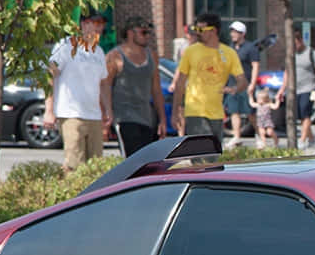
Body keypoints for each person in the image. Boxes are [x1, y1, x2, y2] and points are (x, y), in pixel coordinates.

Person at [45, 12, 109, 171]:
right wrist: (49, 110)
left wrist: (106, 111)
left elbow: (101, 85)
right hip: (71, 114)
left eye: (102, 24)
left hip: (94, 115)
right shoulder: (67, 45)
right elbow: (49, 75)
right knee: (74, 165)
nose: (99, 28)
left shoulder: (99, 51)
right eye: (96, 23)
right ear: (84, 24)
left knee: (96, 168)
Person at [171, 13, 246, 143]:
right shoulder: (190, 51)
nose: (197, 33)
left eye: (201, 30)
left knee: (214, 157)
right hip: (195, 111)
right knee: (202, 154)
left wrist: (234, 88)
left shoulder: (229, 53)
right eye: (196, 30)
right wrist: (175, 112)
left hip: (217, 113)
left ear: (213, 30)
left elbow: (243, 81)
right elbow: (180, 83)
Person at [101, 16, 165, 157]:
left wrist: (162, 120)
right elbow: (105, 86)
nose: (148, 36)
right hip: (124, 118)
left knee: (149, 162)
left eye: (149, 33)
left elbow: (156, 89)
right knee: (132, 161)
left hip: (147, 118)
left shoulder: (152, 55)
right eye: (143, 32)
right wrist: (107, 113)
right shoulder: (115, 56)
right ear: (130, 33)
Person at [279, 25, 315, 147]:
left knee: (305, 114)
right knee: (301, 117)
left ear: (300, 40)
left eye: (295, 44)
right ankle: (312, 139)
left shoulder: (312, 54)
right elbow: (286, 73)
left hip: (308, 88)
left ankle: (303, 140)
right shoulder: (291, 55)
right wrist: (282, 89)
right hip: (294, 89)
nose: (294, 47)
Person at [225, 20, 261, 147]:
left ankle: (259, 136)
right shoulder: (230, 48)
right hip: (232, 85)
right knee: (234, 111)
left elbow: (255, 66)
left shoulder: (251, 48)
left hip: (246, 85)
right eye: (232, 32)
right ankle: (237, 137)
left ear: (242, 33)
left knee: (250, 113)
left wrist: (252, 84)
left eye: (235, 32)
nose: (232, 34)